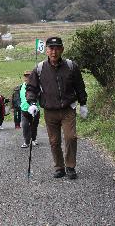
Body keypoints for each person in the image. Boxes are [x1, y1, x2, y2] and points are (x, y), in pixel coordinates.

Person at [26, 36, 88, 180]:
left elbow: (80, 86)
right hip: (50, 110)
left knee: (70, 137)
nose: (54, 51)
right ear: (46, 50)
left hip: (68, 109)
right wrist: (32, 103)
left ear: (62, 49)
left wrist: (83, 103)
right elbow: (31, 88)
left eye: (57, 48)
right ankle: (59, 167)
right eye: (51, 48)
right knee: (54, 141)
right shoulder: (40, 68)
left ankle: (70, 166)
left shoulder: (71, 66)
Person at [20, 71, 40, 148]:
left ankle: (34, 139)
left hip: (35, 110)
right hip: (24, 110)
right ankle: (26, 141)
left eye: (29, 76)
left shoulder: (36, 87)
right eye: (26, 76)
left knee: (34, 126)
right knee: (25, 126)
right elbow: (18, 97)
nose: (27, 78)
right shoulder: (21, 86)